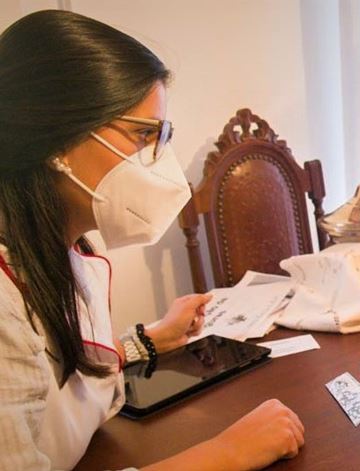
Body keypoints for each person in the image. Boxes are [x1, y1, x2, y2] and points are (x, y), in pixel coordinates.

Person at [0, 10, 304, 470]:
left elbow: (57, 371)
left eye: (161, 137)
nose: (158, 162)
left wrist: (149, 340)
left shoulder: (74, 249)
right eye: (142, 135)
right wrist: (224, 455)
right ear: (55, 139)